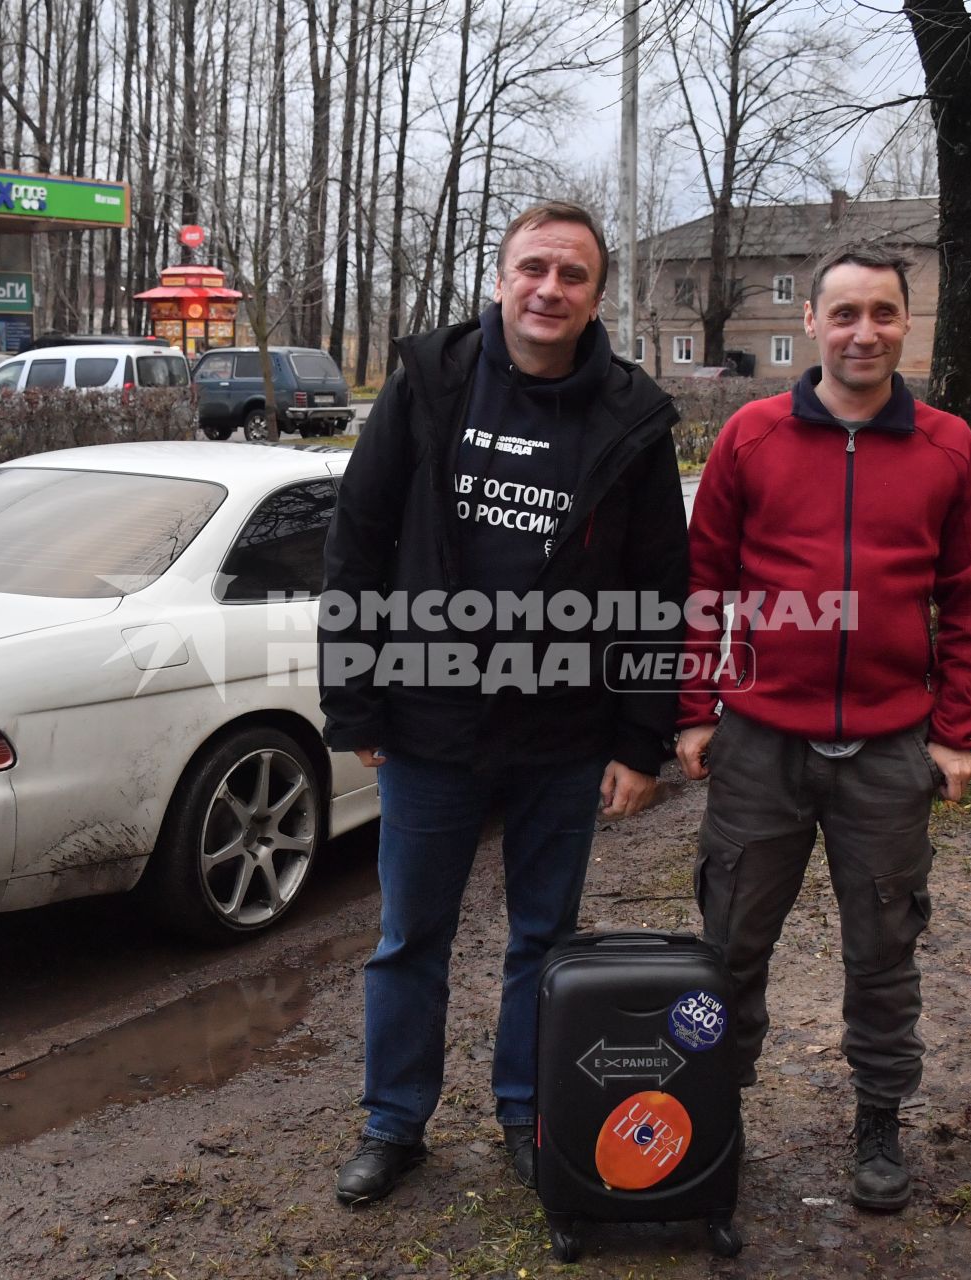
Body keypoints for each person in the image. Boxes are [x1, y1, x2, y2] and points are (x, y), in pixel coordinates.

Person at [320, 200, 688, 1207]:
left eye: (572, 275)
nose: (549, 289)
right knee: (409, 938)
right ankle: (394, 1122)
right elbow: (358, 537)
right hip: (430, 723)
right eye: (533, 268)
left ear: (596, 296)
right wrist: (352, 699)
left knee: (543, 938)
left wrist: (640, 738)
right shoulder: (431, 380)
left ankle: (527, 1114)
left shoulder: (632, 414)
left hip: (564, 736)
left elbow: (660, 590)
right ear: (498, 279)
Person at [675, 245, 971, 1212]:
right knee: (728, 949)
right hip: (760, 749)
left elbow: (968, 600)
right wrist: (697, 711)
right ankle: (710, 1120)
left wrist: (954, 730)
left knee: (885, 951)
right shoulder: (751, 436)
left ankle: (879, 1123)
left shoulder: (947, 448)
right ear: (811, 323)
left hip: (891, 756)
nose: (865, 331)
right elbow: (705, 584)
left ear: (907, 324)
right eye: (845, 312)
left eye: (884, 314)